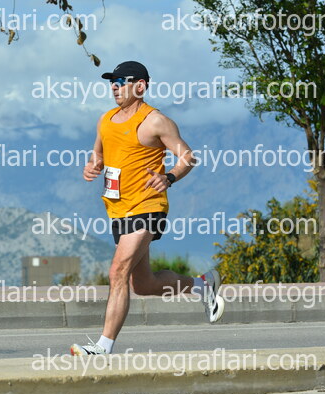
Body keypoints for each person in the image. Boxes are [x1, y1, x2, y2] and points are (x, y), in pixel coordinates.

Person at [70, 61, 225, 356]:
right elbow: (98, 153)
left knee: (117, 270)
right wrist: (92, 165)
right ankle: (202, 285)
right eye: (111, 82)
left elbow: (187, 156)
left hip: (148, 205)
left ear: (140, 86)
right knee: (143, 284)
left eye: (121, 81)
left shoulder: (155, 121)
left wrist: (169, 177)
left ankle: (103, 347)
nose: (114, 87)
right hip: (118, 209)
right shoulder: (106, 119)